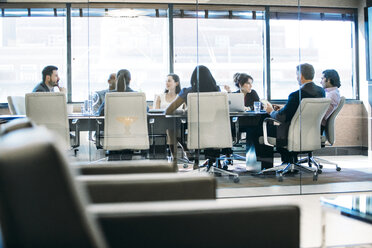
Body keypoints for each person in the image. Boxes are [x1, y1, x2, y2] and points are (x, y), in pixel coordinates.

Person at [264, 63, 325, 164]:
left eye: (297, 75)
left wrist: (271, 111)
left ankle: (266, 166)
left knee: (259, 129)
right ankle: (291, 162)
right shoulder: (320, 91)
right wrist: (285, 108)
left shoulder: (296, 95)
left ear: (301, 76)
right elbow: (301, 111)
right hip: (312, 133)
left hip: (292, 134)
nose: (296, 77)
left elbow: (281, 117)